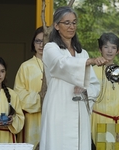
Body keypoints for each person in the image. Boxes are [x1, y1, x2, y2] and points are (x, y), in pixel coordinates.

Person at [39, 6, 108, 150]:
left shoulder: (82, 53)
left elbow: (94, 84)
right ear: (57, 26)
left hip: (80, 109)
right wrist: (88, 62)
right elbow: (61, 64)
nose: (71, 27)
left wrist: (84, 89)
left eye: (74, 23)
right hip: (58, 107)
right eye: (67, 23)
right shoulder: (51, 48)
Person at [91, 32, 119, 150]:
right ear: (100, 49)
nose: (109, 51)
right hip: (96, 119)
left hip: (116, 122)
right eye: (106, 47)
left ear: (117, 50)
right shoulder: (91, 71)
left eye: (113, 47)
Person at [14, 26, 43, 149]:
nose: (41, 45)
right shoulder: (25, 67)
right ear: (33, 43)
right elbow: (19, 95)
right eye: (38, 41)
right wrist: (40, 98)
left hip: (53, 117)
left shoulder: (57, 66)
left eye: (45, 41)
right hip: (31, 120)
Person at [0, 57, 24, 143]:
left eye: (2, 71)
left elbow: (20, 118)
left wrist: (12, 120)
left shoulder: (12, 94)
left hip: (7, 139)